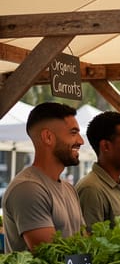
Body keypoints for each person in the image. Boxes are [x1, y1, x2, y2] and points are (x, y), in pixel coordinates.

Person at [3, 102, 85, 252]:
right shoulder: (28, 189)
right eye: (73, 133)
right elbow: (50, 255)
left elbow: (85, 243)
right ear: (48, 137)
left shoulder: (69, 188)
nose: (81, 141)